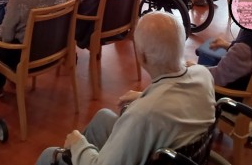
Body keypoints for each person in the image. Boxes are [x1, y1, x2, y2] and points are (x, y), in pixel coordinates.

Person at [35, 11, 215, 165]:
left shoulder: (142, 114)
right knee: (103, 117)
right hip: (178, 151)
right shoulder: (203, 74)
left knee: (49, 154)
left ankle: (71, 157)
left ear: (142, 56)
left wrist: (78, 145)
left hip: (151, 153)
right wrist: (145, 95)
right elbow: (174, 98)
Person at [191, 26, 252, 90]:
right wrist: (229, 45)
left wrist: (195, 69)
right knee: (209, 49)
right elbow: (251, 53)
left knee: (192, 73)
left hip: (235, 98)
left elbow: (218, 78)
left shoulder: (244, 48)